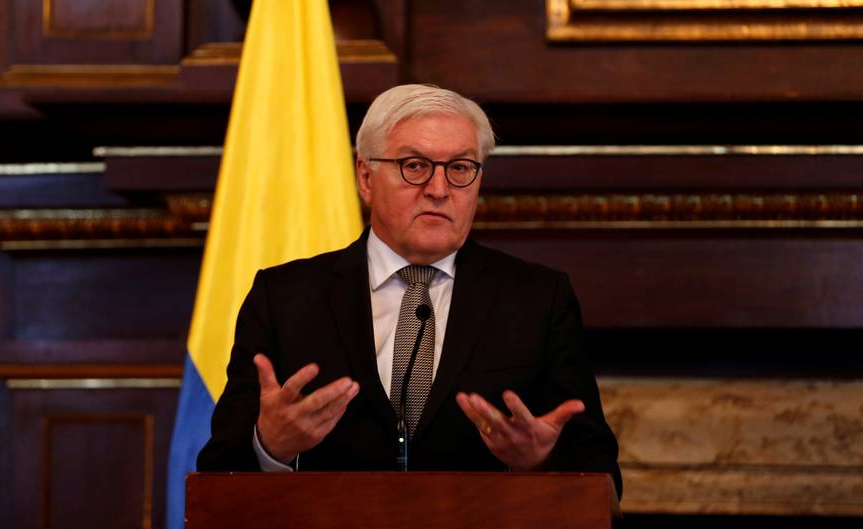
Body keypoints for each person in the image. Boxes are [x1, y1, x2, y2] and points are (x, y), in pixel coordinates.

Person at [197, 84, 621, 494]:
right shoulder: (285, 297)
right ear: (365, 177)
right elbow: (217, 474)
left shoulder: (537, 299)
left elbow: (601, 476)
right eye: (415, 166)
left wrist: (537, 462)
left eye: (459, 168)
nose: (439, 190)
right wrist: (271, 447)